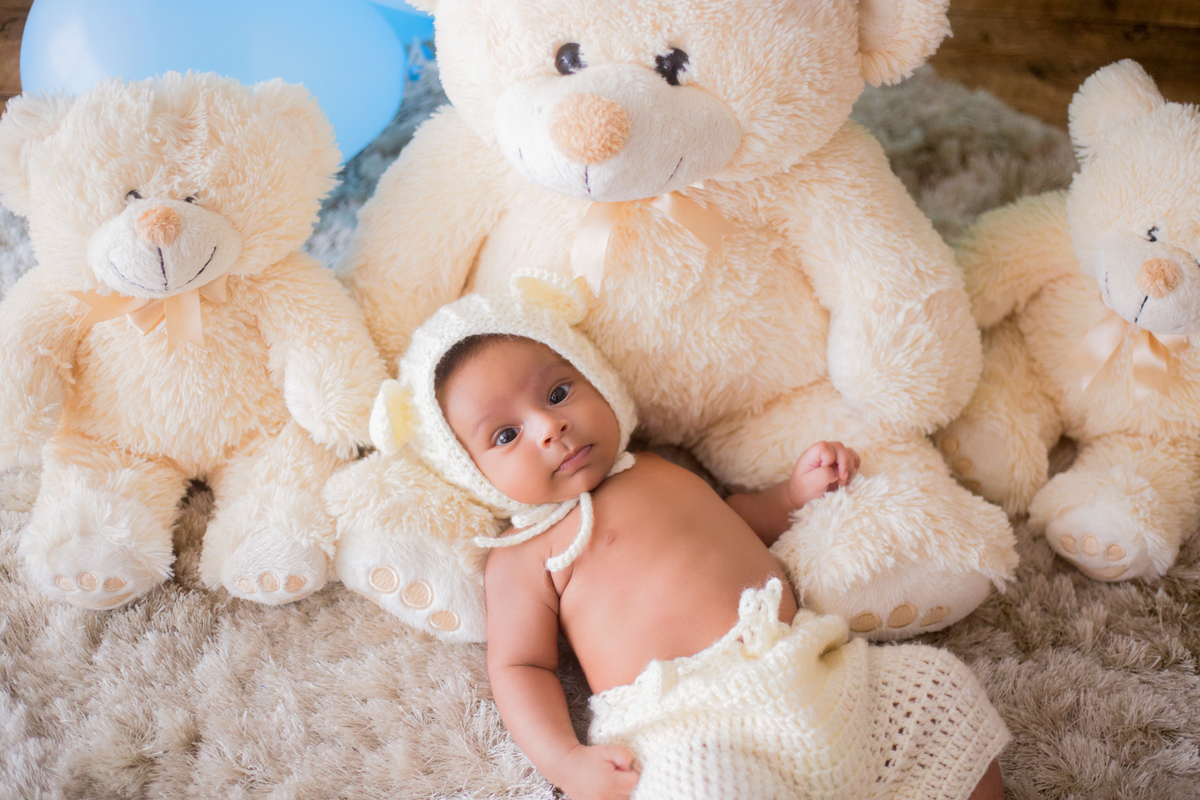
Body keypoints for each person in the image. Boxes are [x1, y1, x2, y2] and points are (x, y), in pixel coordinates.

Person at [373, 278, 1009, 800]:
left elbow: (732, 521)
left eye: (560, 391)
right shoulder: (523, 553)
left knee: (934, 690)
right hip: (687, 729)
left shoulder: (653, 466)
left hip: (806, 669)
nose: (550, 426)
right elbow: (521, 665)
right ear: (467, 470)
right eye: (505, 435)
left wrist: (791, 497)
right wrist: (566, 760)